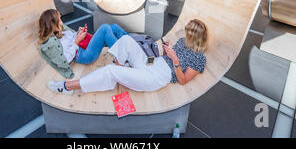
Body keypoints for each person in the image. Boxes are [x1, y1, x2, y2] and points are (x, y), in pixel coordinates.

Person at [47, 19, 208, 94]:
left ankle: (67, 87)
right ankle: (122, 66)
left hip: (158, 76)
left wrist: (176, 61)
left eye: (188, 34)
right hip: (154, 62)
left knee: (110, 71)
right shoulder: (181, 42)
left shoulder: (199, 59)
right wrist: (167, 51)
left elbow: (183, 80)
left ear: (195, 37)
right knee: (126, 40)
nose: (185, 36)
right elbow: (168, 57)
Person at [39, 9, 129, 78]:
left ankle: (131, 46)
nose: (61, 22)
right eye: (59, 20)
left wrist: (78, 33)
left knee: (114, 27)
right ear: (53, 25)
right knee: (105, 28)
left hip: (83, 45)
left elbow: (72, 39)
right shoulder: (53, 43)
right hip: (82, 55)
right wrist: (77, 41)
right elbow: (66, 59)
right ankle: (122, 58)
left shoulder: (61, 31)